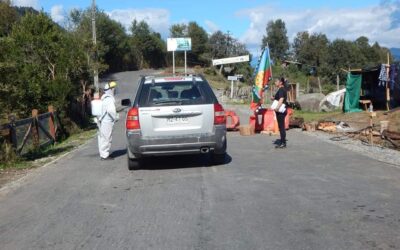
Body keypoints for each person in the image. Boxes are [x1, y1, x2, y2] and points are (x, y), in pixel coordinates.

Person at [98, 81, 117, 160]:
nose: (114, 90)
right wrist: (115, 117)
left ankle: (103, 154)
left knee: (102, 138)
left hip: (101, 121)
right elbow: (111, 111)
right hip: (107, 121)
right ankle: (105, 155)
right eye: (113, 88)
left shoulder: (104, 98)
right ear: (110, 90)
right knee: (107, 138)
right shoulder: (109, 99)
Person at [273, 77, 288, 148]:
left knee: (281, 127)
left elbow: (281, 99)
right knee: (280, 126)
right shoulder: (280, 89)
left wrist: (277, 108)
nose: (275, 82)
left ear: (280, 82)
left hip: (281, 110)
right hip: (280, 110)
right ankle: (282, 141)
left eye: (276, 81)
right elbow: (279, 98)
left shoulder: (281, 89)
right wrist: (274, 98)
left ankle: (283, 143)